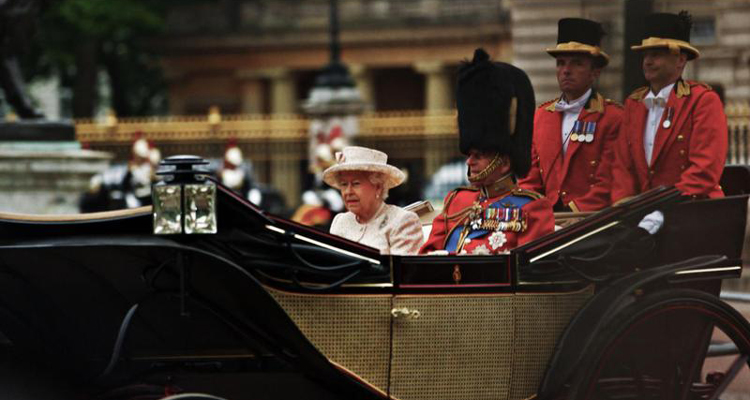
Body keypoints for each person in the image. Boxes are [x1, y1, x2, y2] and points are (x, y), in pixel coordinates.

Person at [420, 49, 554, 255]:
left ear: (505, 163)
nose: (469, 162)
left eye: (479, 156)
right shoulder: (457, 200)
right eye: (470, 155)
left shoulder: (532, 208)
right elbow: (428, 253)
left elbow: (525, 269)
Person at [612, 11, 727, 201]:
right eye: (645, 55)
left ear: (681, 60)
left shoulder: (702, 101)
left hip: (694, 209)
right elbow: (622, 168)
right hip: (642, 214)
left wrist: (663, 209)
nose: (648, 61)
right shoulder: (634, 104)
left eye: (656, 55)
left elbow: (704, 170)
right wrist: (624, 208)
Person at [518, 18, 622, 212]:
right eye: (561, 63)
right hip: (546, 222)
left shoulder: (613, 118)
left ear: (595, 71)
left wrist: (570, 213)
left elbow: (607, 183)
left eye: (577, 64)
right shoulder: (541, 116)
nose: (566, 70)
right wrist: (536, 213)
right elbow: (529, 179)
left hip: (589, 222)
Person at [323, 146, 423, 255]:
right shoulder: (340, 222)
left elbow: (400, 271)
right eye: (344, 184)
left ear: (378, 187)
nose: (348, 192)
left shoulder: (402, 221)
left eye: (356, 184)